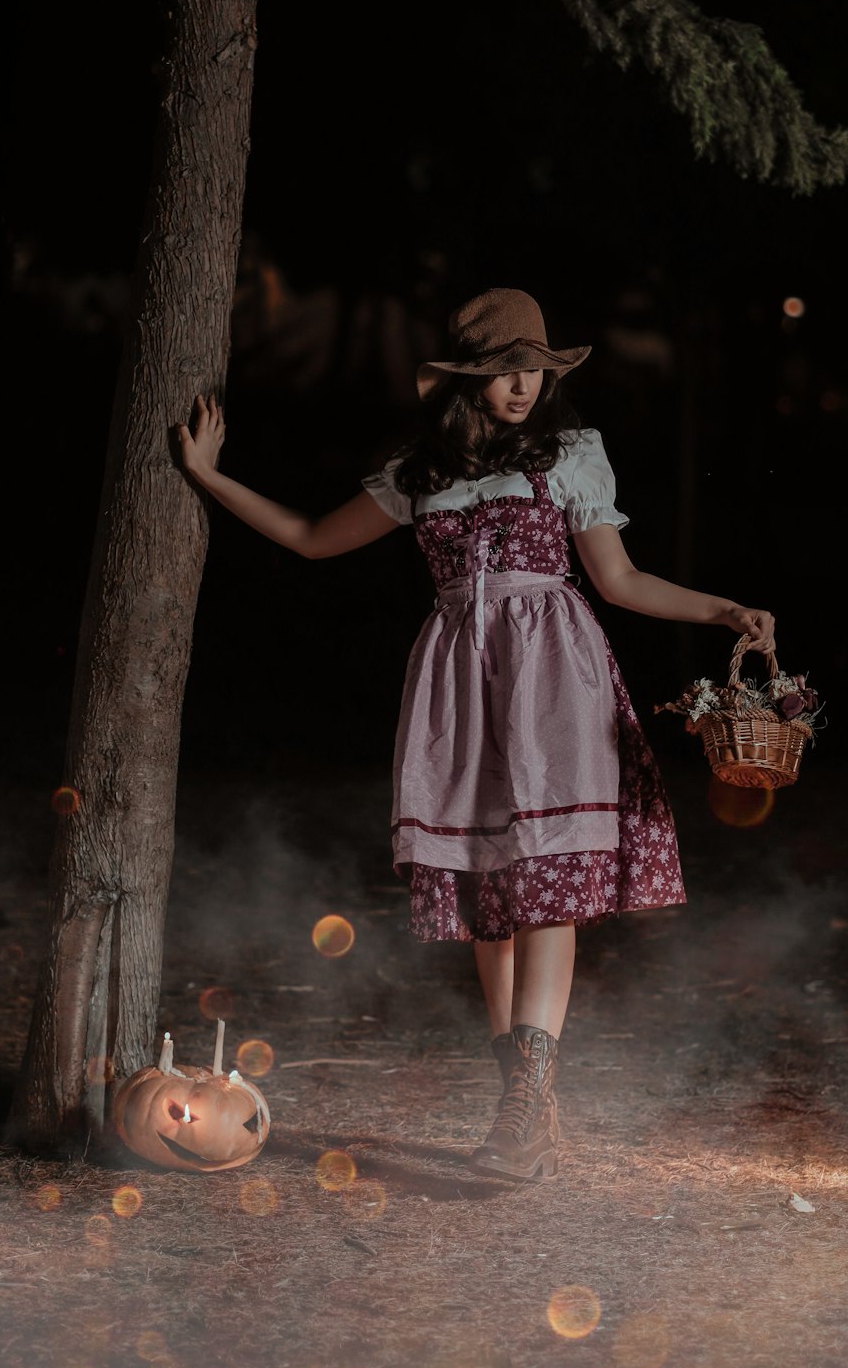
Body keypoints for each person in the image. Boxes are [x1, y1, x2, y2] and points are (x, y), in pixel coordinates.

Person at [177, 286, 775, 1184]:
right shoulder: (419, 475)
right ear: (467, 381)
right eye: (504, 372)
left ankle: (523, 1107)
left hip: (553, 679)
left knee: (548, 883)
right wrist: (209, 475)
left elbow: (618, 580)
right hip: (461, 689)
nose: (526, 384)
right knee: (490, 898)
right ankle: (527, 1110)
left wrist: (722, 608)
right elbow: (307, 538)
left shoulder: (569, 454)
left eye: (534, 367)